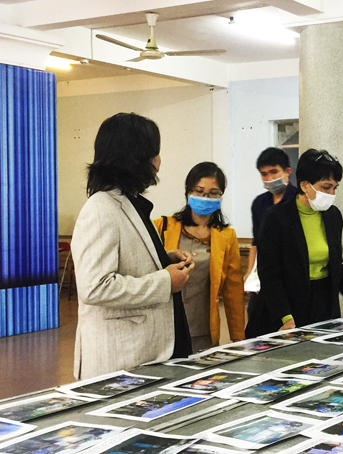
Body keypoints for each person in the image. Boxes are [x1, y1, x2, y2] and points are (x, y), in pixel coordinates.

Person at [71, 112, 194, 380]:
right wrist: (165, 281)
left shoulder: (129, 203)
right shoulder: (101, 209)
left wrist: (164, 259)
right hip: (121, 359)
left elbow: (128, 260)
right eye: (155, 153)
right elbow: (95, 286)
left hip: (149, 351)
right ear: (136, 158)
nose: (159, 163)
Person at [245, 149, 343, 337]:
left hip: (323, 305)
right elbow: (270, 274)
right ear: (305, 185)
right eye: (326, 187)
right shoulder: (275, 218)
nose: (331, 193)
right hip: (286, 306)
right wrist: (285, 317)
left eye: (335, 188)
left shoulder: (333, 216)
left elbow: (336, 265)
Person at [153, 162, 245, 352]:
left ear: (221, 196)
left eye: (213, 193)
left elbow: (233, 292)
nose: (206, 197)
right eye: (199, 191)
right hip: (165, 327)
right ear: (188, 192)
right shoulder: (162, 227)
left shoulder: (226, 236)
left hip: (203, 331)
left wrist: (238, 339)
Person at [244, 147, 297, 281]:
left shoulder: (299, 200)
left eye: (274, 172)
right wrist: (250, 272)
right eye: (264, 174)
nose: (269, 178)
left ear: (287, 171)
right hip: (265, 272)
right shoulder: (259, 203)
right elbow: (256, 241)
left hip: (293, 271)